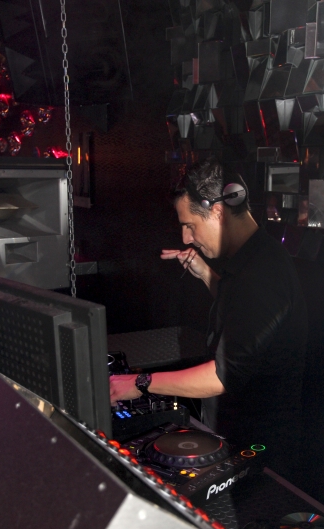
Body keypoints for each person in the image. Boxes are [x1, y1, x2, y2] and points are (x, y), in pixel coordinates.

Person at [110, 157, 307, 478]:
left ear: (218, 212)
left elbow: (221, 376)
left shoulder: (262, 273)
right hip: (242, 436)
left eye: (190, 225)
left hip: (261, 451)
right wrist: (205, 273)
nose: (186, 237)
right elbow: (244, 312)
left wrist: (138, 384)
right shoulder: (253, 258)